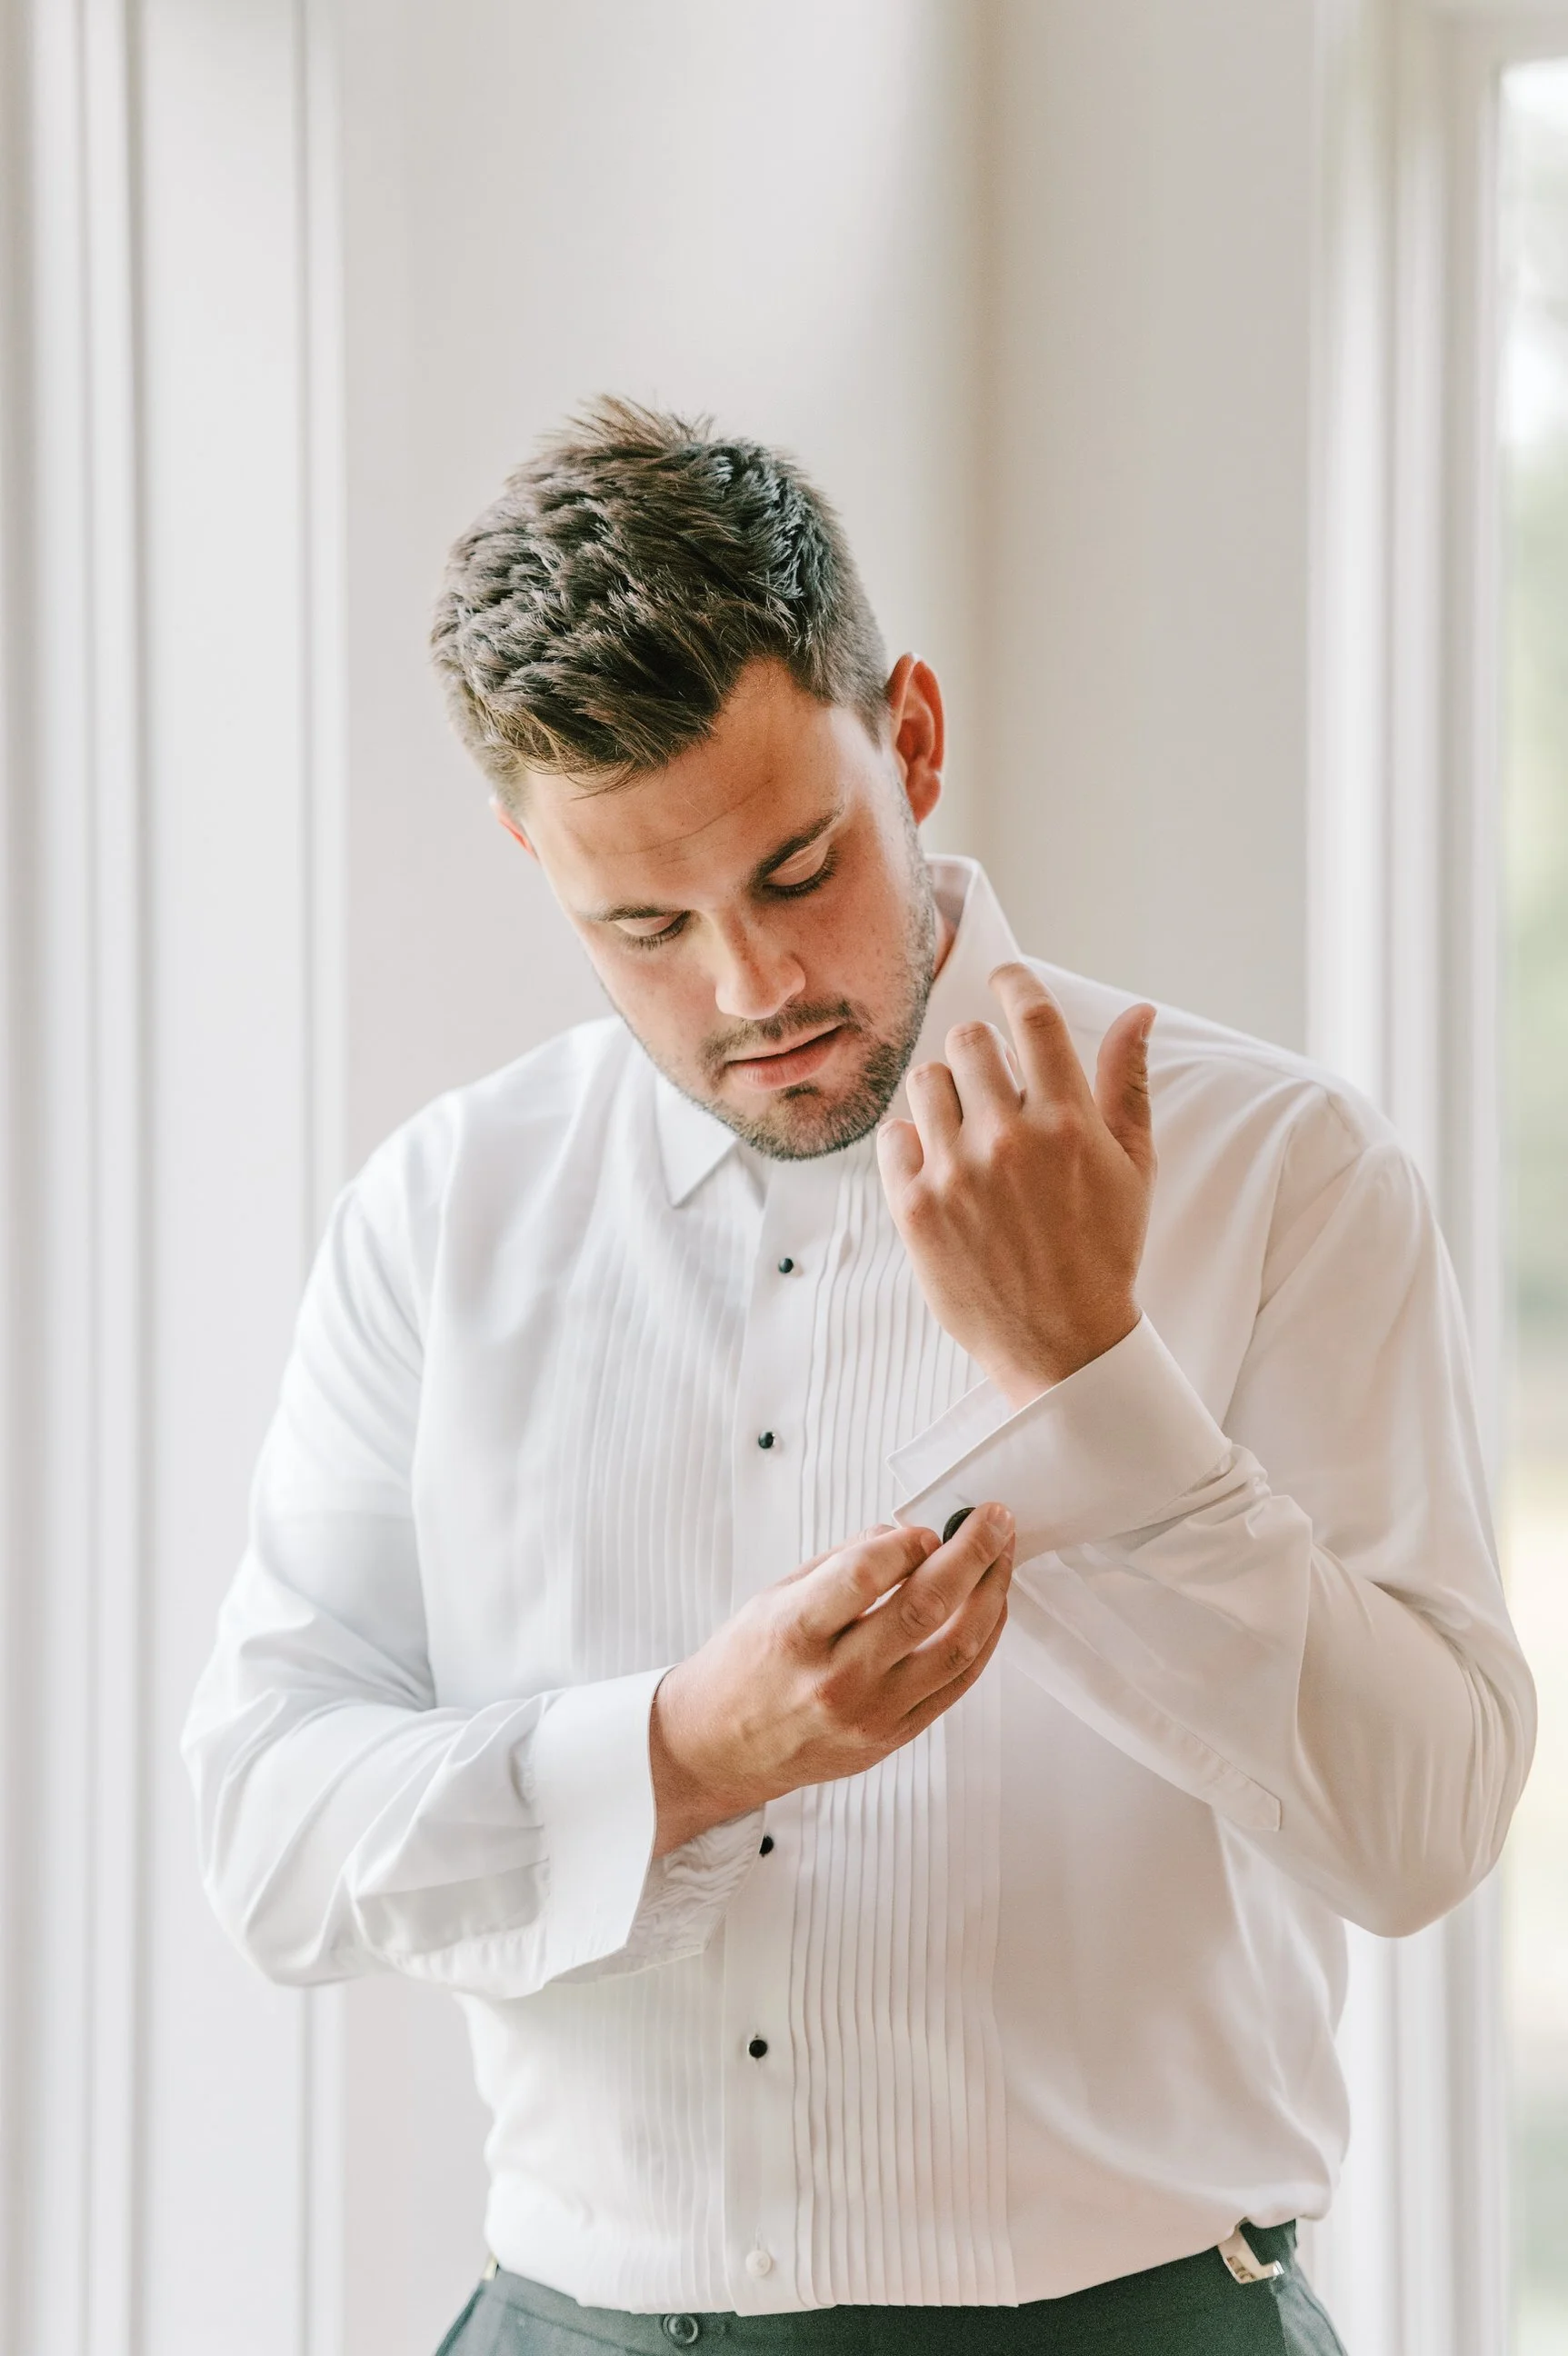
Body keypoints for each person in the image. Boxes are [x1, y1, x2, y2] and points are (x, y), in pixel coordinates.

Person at [185, 399, 1534, 2356]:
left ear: (906, 737)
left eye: (798, 869)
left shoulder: (1276, 1172)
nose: (752, 991)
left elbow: (1421, 1834)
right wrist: (674, 1756)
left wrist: (1095, 1382)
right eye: (639, 924)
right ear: (529, 859)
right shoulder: (438, 1218)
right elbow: (270, 1836)